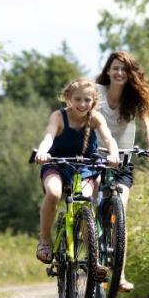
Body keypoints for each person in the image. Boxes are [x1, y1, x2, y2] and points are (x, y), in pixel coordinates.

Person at [33, 78, 120, 265]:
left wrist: (113, 154)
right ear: (68, 99)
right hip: (56, 164)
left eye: (87, 100)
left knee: (85, 200)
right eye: (78, 99)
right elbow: (48, 136)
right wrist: (42, 151)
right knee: (54, 193)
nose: (82, 104)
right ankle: (45, 240)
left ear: (94, 101)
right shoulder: (58, 116)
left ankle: (92, 259)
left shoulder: (95, 118)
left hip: (85, 167)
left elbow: (108, 139)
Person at [94, 51, 149, 291]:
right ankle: (88, 231)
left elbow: (147, 127)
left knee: (120, 211)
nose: (119, 73)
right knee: (92, 193)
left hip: (123, 161)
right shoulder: (97, 93)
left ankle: (119, 275)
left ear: (130, 73)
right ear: (108, 71)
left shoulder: (134, 99)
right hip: (97, 157)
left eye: (124, 69)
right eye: (115, 68)